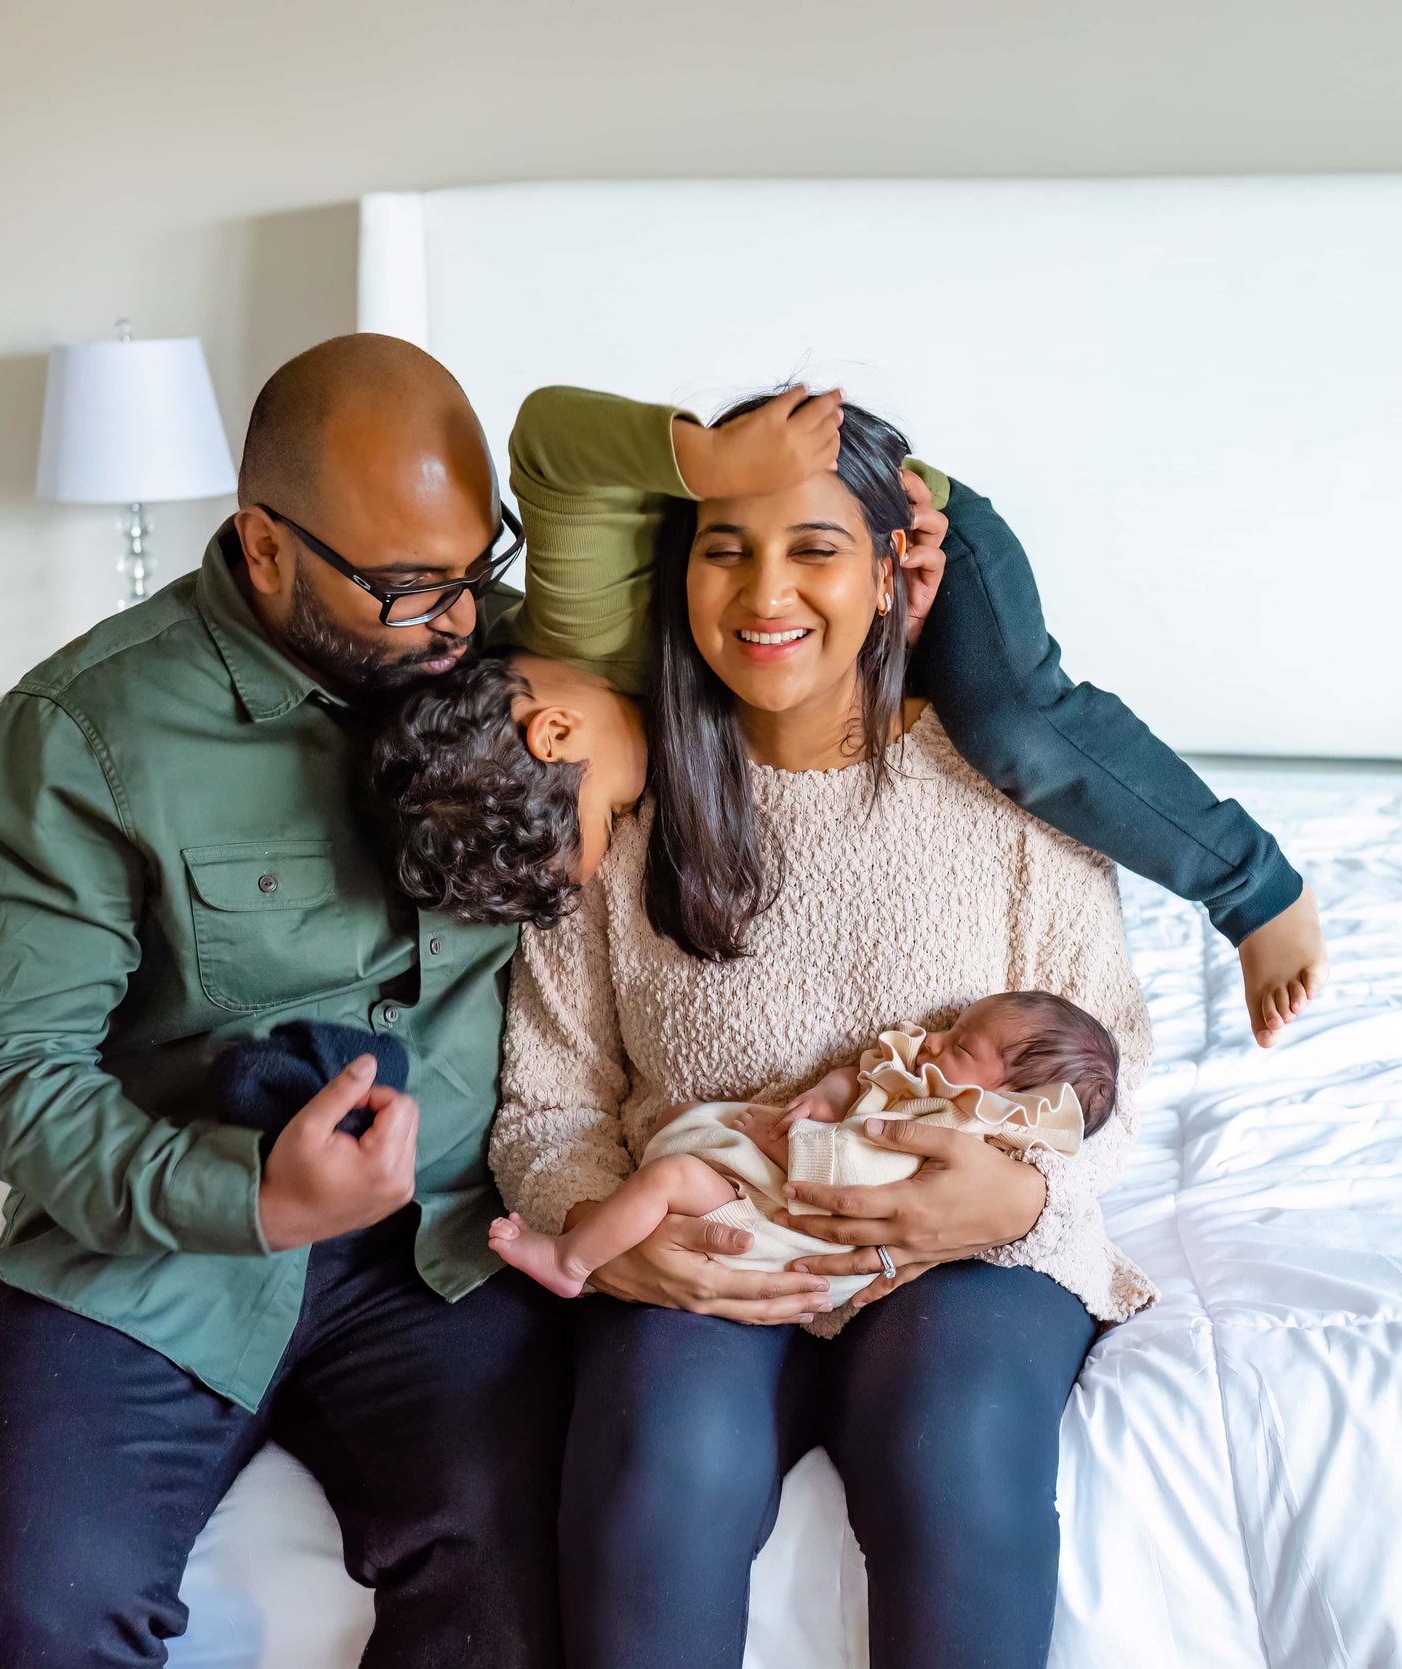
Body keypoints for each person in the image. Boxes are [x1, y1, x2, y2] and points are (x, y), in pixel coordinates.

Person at [0, 334, 570, 1669]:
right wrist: (256, 1201)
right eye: (402, 585)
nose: (455, 619)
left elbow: (748, 570)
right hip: (157, 1248)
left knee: (528, 1582)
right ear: (263, 546)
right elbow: (0, 1069)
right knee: (36, 1615)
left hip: (438, 1252)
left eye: (471, 569)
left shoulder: (527, 677)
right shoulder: (83, 731)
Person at [490, 392, 1155, 1668]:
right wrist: (614, 1238)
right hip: (710, 1235)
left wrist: (1017, 1202)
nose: (763, 591)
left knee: (953, 1447)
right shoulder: (626, 800)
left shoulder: (1006, 797)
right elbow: (548, 1105)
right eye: (723, 547)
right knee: (655, 1466)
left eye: (813, 549)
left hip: (962, 1259)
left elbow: (1103, 1072)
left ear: (894, 571)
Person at [376, 382, 1329, 1045]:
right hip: (797, 617)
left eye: (610, 815)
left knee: (1012, 727)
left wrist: (708, 458)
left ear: (555, 733)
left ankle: (1256, 891)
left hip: (886, 512)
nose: (634, 819)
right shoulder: (621, 728)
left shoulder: (583, 628)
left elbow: (544, 435)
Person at [489, 991, 1119, 1311]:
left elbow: (857, 1180)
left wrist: (796, 1145)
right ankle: (615, 1226)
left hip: (791, 1230)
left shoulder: (960, 1138)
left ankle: (570, 1263)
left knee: (670, 1178)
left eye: (959, 1045)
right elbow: (869, 1079)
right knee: (680, 1122)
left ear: (1015, 1104)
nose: (931, 1042)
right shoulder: (930, 1084)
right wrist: (826, 1093)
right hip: (778, 1183)